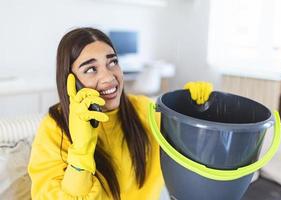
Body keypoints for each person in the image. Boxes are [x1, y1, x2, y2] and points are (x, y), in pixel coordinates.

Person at [28, 27, 213, 200]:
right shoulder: (54, 128)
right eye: (91, 69)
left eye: (112, 62)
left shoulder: (143, 108)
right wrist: (81, 149)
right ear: (70, 82)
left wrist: (196, 111)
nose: (109, 77)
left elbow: (194, 151)